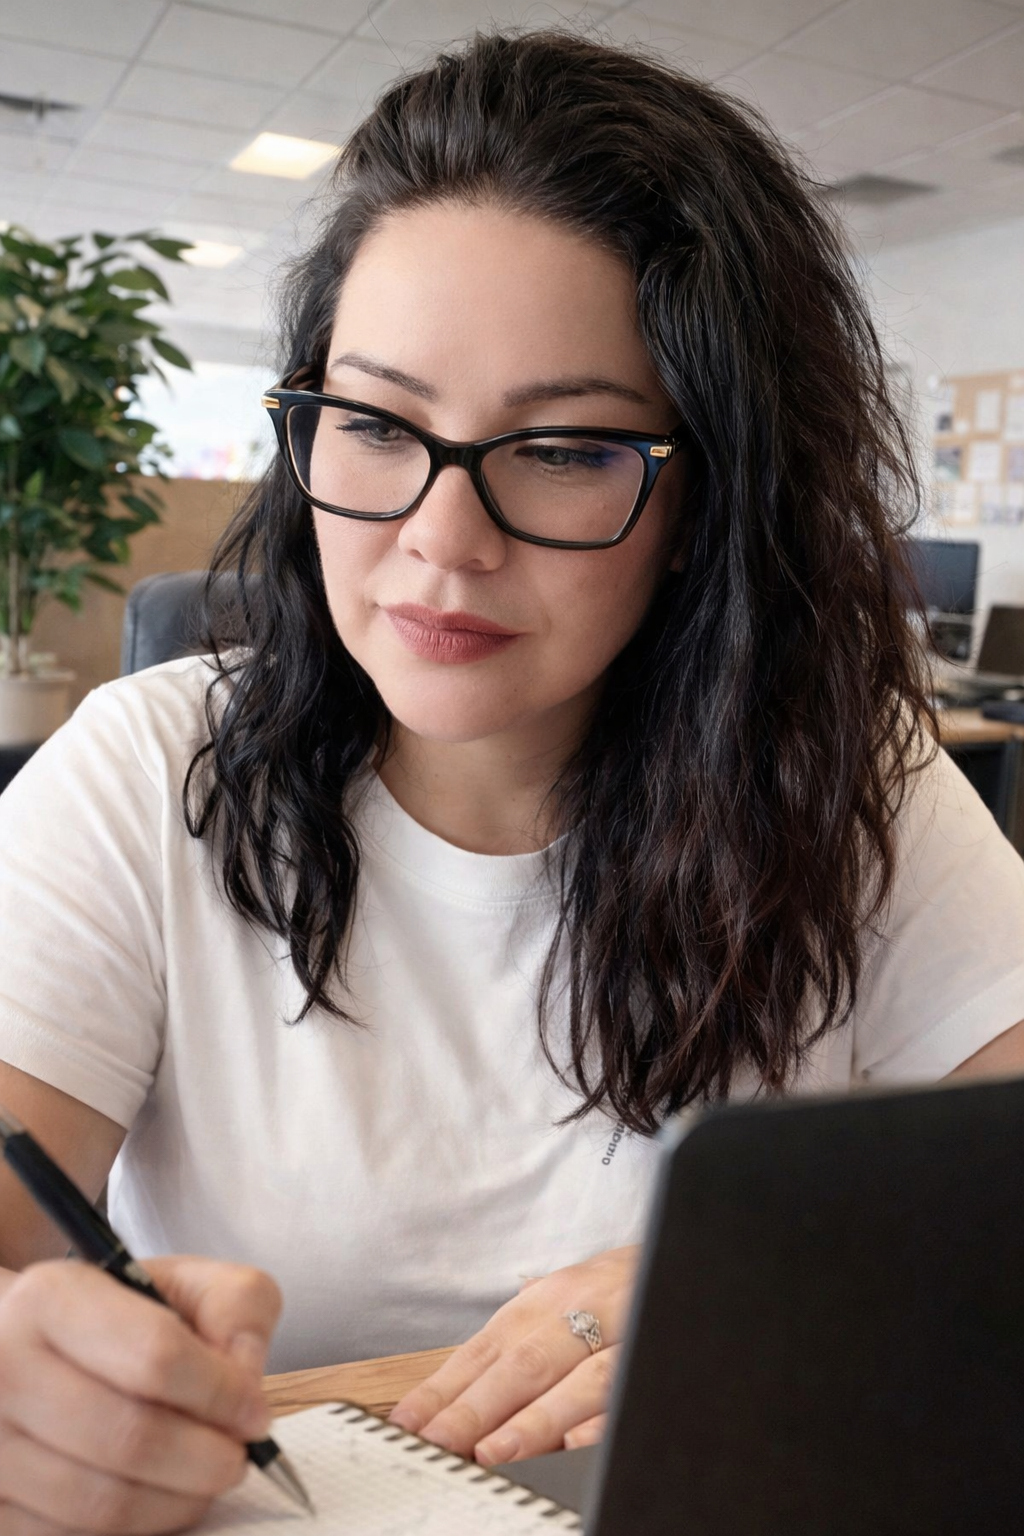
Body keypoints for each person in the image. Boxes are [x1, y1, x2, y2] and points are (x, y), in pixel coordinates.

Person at [1, 26, 1023, 1534]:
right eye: (371, 422)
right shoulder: (150, 770)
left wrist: (744, 1281)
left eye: (559, 449)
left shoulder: (843, 777)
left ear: (710, 499)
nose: (441, 538)